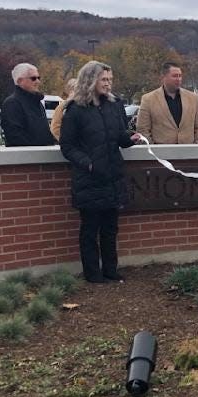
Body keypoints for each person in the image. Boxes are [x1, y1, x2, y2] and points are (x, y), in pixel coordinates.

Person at [60, 61, 140, 284]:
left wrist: (130, 139)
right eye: (104, 79)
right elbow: (67, 146)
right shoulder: (75, 110)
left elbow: (119, 138)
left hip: (112, 176)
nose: (108, 84)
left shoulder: (115, 105)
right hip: (89, 179)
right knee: (90, 229)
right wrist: (88, 163)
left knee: (110, 228)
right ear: (90, 80)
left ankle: (111, 271)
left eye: (110, 80)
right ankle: (93, 274)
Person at [136, 62, 198, 144]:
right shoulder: (148, 100)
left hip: (189, 152)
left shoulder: (193, 98)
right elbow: (142, 129)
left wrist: (196, 147)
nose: (178, 79)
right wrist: (153, 149)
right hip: (160, 153)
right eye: (174, 76)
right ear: (163, 77)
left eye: (180, 76)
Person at [0, 63, 56, 146]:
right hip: (26, 156)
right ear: (19, 81)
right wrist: (40, 149)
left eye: (38, 78)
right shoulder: (12, 103)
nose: (38, 81)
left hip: (43, 155)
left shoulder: (37, 102)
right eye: (33, 78)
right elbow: (15, 136)